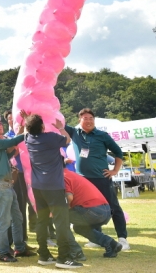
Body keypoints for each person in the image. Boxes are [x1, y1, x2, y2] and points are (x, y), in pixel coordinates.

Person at [64, 108, 129, 251]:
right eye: (85, 118)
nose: (88, 121)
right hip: (83, 181)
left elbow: (118, 153)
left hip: (101, 178)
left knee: (113, 208)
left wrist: (115, 170)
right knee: (88, 209)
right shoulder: (75, 133)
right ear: (79, 120)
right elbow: (58, 122)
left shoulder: (102, 135)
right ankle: (97, 237)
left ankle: (123, 238)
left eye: (91, 118)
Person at [24, 113, 84, 269]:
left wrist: (26, 120)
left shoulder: (28, 139)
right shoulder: (51, 137)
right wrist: (60, 127)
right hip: (54, 187)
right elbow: (68, 140)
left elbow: (26, 131)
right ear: (43, 127)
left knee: (42, 221)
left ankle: (44, 254)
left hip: (38, 187)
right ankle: (63, 258)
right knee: (61, 222)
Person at [0, 117, 30, 262]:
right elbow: (11, 142)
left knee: (17, 218)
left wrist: (21, 130)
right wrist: (27, 131)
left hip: (6, 185)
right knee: (4, 221)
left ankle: (19, 248)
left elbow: (10, 151)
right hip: (1, 186)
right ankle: (3, 252)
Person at [63, 168, 122, 258]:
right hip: (106, 210)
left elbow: (69, 197)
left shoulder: (62, 176)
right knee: (79, 228)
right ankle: (110, 243)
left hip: (92, 210)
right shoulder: (72, 174)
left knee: (60, 217)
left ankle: (73, 250)